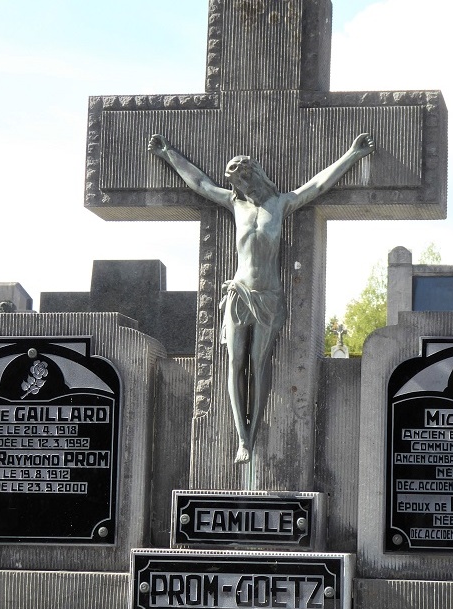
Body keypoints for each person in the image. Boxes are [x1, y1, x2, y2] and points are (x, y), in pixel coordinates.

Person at [148, 133, 376, 463]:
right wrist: (168, 154)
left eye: (246, 178)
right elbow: (199, 182)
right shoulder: (235, 204)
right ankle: (242, 438)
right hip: (239, 295)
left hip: (268, 298)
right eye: (237, 182)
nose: (244, 187)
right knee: (234, 363)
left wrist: (352, 156)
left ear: (256, 174)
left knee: (259, 363)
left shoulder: (280, 204)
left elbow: (317, 186)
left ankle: (252, 435)